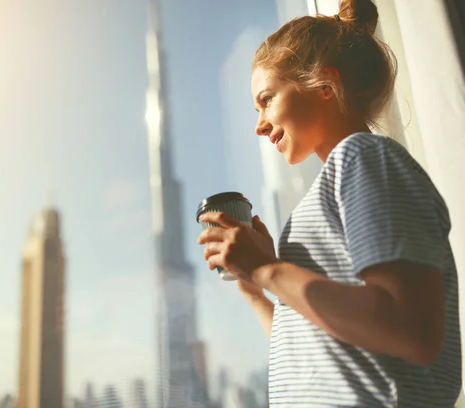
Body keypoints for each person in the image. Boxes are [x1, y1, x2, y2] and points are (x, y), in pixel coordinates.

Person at [197, 0, 462, 406]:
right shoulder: (341, 179)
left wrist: (269, 269)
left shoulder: (362, 159)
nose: (259, 123)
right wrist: (256, 288)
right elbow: (316, 353)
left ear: (324, 85)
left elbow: (413, 331)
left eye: (266, 99)